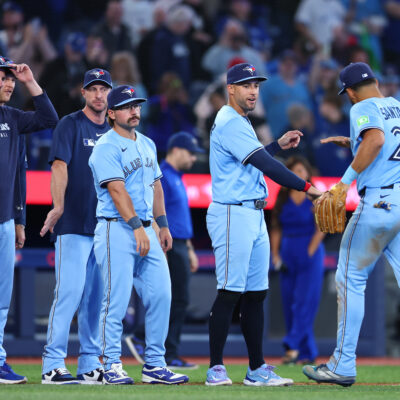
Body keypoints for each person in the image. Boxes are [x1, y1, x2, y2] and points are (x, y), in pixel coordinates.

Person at [205, 62, 322, 386]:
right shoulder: (230, 120)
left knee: (256, 294)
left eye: (256, 85)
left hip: (253, 213)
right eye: (246, 85)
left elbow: (253, 158)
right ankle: (215, 367)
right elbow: (266, 166)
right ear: (230, 89)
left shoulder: (239, 122)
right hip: (233, 212)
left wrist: (276, 145)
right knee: (230, 292)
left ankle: (256, 369)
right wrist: (306, 187)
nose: (253, 90)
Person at [303, 62, 400, 387]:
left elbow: (374, 140)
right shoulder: (394, 105)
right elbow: (379, 142)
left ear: (351, 91)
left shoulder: (363, 106)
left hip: (378, 205)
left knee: (349, 278)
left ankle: (342, 365)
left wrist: (344, 183)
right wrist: (355, 143)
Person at [88, 85, 189, 385]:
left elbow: (156, 186)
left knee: (162, 295)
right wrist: (136, 227)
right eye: (126, 106)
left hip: (147, 228)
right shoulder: (106, 146)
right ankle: (111, 364)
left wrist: (163, 224)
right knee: (115, 300)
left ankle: (155, 364)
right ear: (111, 113)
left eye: (137, 105)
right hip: (115, 228)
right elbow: (117, 191)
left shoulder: (146, 143)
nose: (134, 111)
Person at [40, 68, 113, 384]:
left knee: (95, 299)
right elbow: (59, 165)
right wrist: (58, 205)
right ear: (83, 93)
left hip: (103, 227)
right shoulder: (70, 124)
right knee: (68, 292)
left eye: (103, 89)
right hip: (73, 223)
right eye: (93, 89)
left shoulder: (114, 131)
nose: (98, 95)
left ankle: (88, 364)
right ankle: (52, 363)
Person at [0, 58, 59, 384]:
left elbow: (49, 118)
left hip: (6, 222)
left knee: (0, 300)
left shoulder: (11, 117)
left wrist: (30, 82)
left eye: (11, 79)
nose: (10, 84)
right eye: (4, 78)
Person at [125, 131, 202, 369]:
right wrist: (162, 243)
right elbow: (154, 210)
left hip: (180, 242)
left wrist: (189, 248)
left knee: (178, 299)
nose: (193, 159)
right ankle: (157, 345)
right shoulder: (163, 175)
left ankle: (164, 348)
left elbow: (179, 217)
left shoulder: (176, 176)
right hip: (168, 242)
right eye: (190, 153)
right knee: (174, 298)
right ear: (176, 150)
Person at [270, 156, 325, 365]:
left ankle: (291, 345)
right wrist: (275, 254)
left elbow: (322, 225)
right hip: (287, 250)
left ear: (308, 173)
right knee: (289, 302)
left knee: (305, 302)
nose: (299, 175)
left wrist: (310, 249)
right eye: (295, 171)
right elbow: (276, 228)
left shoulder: (313, 193)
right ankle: (307, 353)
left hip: (309, 250)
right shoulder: (283, 196)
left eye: (302, 171)